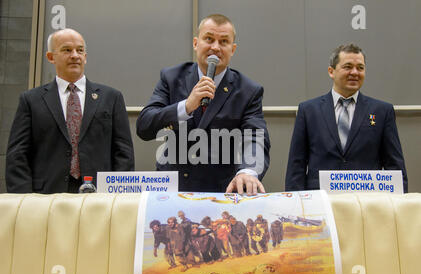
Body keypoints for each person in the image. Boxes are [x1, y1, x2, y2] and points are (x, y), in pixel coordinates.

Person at [136, 14, 270, 195]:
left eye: (223, 41)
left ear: (233, 49)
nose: (215, 47)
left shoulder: (248, 90)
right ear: (195, 43)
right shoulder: (172, 77)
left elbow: (255, 137)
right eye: (209, 39)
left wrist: (247, 172)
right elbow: (145, 126)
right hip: (173, 190)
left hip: (221, 191)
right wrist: (186, 106)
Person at [6, 28, 134, 193]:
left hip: (100, 197)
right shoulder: (31, 100)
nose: (75, 55)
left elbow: (123, 152)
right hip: (45, 197)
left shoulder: (111, 98)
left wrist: (118, 194)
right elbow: (17, 155)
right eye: (67, 50)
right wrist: (24, 200)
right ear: (51, 57)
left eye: (80, 50)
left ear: (85, 58)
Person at [285, 43, 408, 192]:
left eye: (360, 68)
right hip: (321, 202)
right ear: (331, 71)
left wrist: (399, 202)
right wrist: (297, 204)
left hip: (367, 201)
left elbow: (394, 165)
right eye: (348, 67)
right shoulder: (308, 110)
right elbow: (296, 165)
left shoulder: (382, 111)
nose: (355, 72)